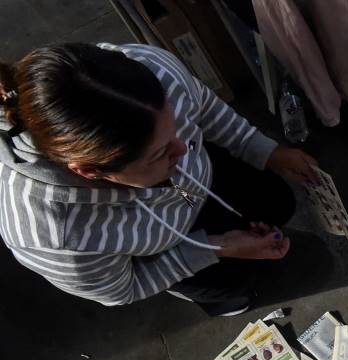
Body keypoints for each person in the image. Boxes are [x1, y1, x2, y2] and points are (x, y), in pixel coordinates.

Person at [0, 43, 319, 316]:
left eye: (176, 128)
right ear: (90, 172)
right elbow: (124, 288)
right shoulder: (55, 236)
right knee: (232, 288)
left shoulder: (150, 69)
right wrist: (216, 248)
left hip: (202, 185)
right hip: (162, 246)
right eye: (160, 153)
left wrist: (265, 151)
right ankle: (221, 296)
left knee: (279, 202)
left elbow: (205, 110)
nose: (184, 147)